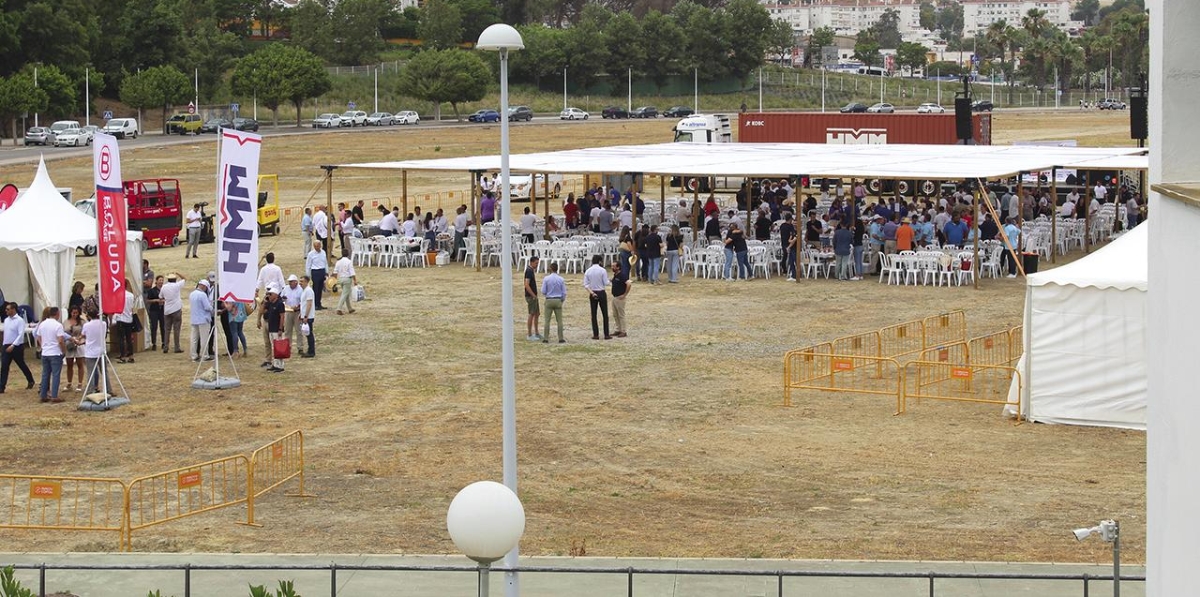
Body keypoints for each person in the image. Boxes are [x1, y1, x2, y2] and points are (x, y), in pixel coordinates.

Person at [35, 307, 67, 403]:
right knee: (56, 375)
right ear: (57, 314)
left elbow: (38, 337)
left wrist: (43, 346)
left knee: (45, 374)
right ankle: (54, 395)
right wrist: (63, 351)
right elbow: (60, 340)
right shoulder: (58, 325)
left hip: (45, 352)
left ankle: (43, 394)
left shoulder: (42, 324)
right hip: (55, 352)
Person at [1, 302, 34, 393]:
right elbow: (6, 333)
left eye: (8, 309)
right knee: (4, 366)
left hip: (16, 346)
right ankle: (2, 386)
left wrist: (13, 345)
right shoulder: (6, 320)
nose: (6, 311)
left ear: (13, 309)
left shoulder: (19, 320)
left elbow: (20, 335)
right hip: (6, 345)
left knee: (21, 364)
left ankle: (30, 380)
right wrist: (4, 344)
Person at [79, 309, 110, 397]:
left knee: (90, 372)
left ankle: (90, 390)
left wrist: (78, 340)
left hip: (90, 352)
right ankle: (108, 389)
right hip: (101, 351)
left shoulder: (87, 325)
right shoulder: (103, 324)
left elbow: (83, 335)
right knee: (104, 372)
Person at [259, 285, 286, 372]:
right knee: (273, 347)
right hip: (271, 328)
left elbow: (282, 316)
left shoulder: (280, 304)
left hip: (276, 328)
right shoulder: (270, 303)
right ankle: (275, 364)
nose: (269, 296)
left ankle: (280, 366)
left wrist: (280, 329)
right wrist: (265, 301)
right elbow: (262, 311)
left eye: (270, 294)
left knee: (278, 347)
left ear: (275, 295)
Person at [583, 255, 611, 340]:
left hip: (593, 292)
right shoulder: (602, 270)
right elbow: (606, 282)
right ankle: (606, 334)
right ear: (600, 261)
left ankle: (596, 334)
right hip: (601, 292)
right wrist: (610, 281)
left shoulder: (588, 271)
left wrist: (591, 293)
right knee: (605, 314)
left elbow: (586, 285)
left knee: (594, 314)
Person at [160, 272, 186, 354]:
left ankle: (165, 347)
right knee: (176, 329)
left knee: (167, 329)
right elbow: (184, 279)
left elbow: (160, 297)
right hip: (176, 308)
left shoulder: (164, 287)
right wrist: (178, 273)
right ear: (175, 279)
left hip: (167, 310)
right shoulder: (177, 285)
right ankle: (176, 347)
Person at [541, 263, 567, 343]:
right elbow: (564, 292)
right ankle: (561, 338)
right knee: (559, 320)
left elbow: (543, 291)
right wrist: (562, 299)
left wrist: (547, 294)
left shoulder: (546, 279)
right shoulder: (561, 279)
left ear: (550, 269)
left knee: (547, 320)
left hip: (549, 300)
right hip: (558, 299)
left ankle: (546, 338)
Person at [189, 279, 214, 362]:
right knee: (204, 338)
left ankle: (194, 355)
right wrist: (213, 309)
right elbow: (207, 307)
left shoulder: (192, 294)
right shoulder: (202, 295)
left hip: (194, 319)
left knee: (194, 338)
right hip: (203, 319)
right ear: (204, 286)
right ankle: (204, 355)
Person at [113, 278, 136, 364]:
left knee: (121, 339)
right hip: (129, 319)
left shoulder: (118, 295)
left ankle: (122, 356)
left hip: (121, 318)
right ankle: (131, 356)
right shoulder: (131, 295)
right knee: (129, 338)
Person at [63, 306, 84, 392]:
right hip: (69, 344)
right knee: (69, 364)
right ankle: (69, 383)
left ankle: (80, 383)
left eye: (76, 312)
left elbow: (85, 332)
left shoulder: (82, 322)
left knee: (80, 364)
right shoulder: (66, 322)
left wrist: (78, 339)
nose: (74, 314)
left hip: (79, 344)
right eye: (73, 312)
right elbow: (63, 333)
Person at [610, 262, 631, 338]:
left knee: (621, 315)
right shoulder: (615, 275)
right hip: (614, 297)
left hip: (620, 298)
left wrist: (625, 294)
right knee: (615, 315)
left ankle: (623, 331)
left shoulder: (622, 275)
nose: (612, 267)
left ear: (618, 267)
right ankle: (618, 329)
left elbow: (629, 284)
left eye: (613, 266)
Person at [282, 274, 303, 350]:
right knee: (288, 330)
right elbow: (282, 298)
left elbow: (302, 301)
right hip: (288, 311)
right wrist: (284, 300)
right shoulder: (286, 289)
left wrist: (298, 306)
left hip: (297, 312)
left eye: (291, 282)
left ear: (296, 282)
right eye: (289, 282)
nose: (290, 283)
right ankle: (288, 347)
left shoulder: (300, 289)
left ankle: (300, 347)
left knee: (299, 330)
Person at [334, 248, 357, 315]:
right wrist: (355, 280)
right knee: (344, 294)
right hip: (347, 279)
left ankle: (350, 308)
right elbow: (352, 272)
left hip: (341, 278)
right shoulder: (349, 262)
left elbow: (335, 271)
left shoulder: (338, 262)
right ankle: (339, 308)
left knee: (346, 293)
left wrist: (334, 281)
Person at [144, 276, 164, 351]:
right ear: (156, 281)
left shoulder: (164, 290)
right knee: (154, 327)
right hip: (154, 310)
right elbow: (148, 300)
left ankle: (163, 342)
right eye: (160, 280)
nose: (161, 282)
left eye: (162, 280)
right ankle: (154, 343)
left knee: (163, 327)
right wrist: (155, 300)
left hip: (162, 310)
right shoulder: (152, 290)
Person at [524, 256, 541, 341]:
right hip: (531, 296)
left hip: (534, 296)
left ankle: (537, 332)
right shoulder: (529, 271)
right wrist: (533, 295)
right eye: (536, 263)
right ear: (531, 262)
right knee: (531, 313)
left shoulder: (531, 271)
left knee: (537, 313)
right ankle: (530, 333)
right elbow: (526, 284)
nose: (537, 265)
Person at [299, 275, 316, 358]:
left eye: (302, 281)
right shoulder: (304, 291)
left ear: (306, 282)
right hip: (305, 315)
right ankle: (310, 350)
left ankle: (311, 351)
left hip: (308, 316)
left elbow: (309, 304)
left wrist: (306, 316)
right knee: (307, 334)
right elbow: (304, 304)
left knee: (309, 334)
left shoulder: (308, 291)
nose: (300, 283)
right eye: (300, 281)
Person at [779, 213, 797, 281]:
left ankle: (785, 269)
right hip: (789, 243)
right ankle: (792, 272)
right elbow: (792, 236)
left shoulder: (782, 225)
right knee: (792, 259)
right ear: (790, 219)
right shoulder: (790, 226)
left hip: (784, 242)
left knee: (786, 257)